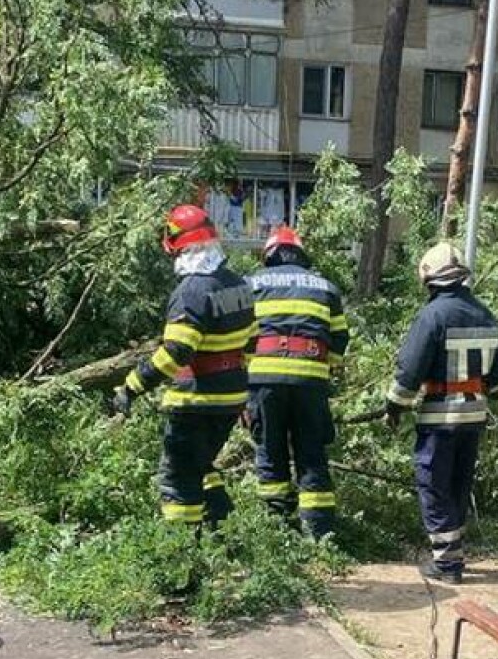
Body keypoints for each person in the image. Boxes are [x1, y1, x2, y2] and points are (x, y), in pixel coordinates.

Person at [112, 203, 255, 526]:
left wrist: (132, 386)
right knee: (200, 464)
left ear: (178, 247)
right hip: (230, 399)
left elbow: (176, 351)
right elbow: (252, 342)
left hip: (195, 401)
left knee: (177, 480)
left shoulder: (191, 291)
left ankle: (181, 559)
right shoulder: (239, 285)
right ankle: (222, 527)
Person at [386, 242, 498, 582]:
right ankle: (454, 554)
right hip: (474, 417)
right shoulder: (485, 313)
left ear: (430, 279)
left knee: (433, 484)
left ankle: (447, 564)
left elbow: (410, 369)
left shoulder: (433, 315)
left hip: (440, 419)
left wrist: (394, 405)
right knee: (458, 483)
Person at [247, 225, 349, 538]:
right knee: (312, 456)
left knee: (270, 453)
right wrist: (322, 371)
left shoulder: (250, 284)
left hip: (264, 383)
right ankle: (319, 536)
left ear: (268, 255)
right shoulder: (326, 289)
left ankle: (278, 531)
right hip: (310, 383)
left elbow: (236, 338)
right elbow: (340, 341)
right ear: (301, 254)